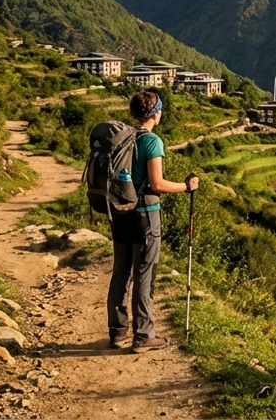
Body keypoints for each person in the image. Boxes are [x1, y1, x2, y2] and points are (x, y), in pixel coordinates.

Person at [107, 90, 199, 353]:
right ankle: (144, 335)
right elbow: (156, 184)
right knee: (144, 274)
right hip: (145, 215)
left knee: (120, 273)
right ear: (155, 113)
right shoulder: (152, 142)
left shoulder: (121, 138)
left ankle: (117, 332)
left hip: (119, 212)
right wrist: (186, 187)